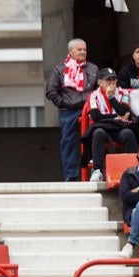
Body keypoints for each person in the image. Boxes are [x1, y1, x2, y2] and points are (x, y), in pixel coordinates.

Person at [46, 39, 95, 181]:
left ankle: (97, 171)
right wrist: (64, 103)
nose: (83, 52)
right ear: (70, 51)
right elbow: (51, 91)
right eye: (79, 49)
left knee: (96, 136)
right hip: (68, 111)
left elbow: (100, 89)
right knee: (68, 141)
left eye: (84, 49)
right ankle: (71, 175)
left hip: (89, 108)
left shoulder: (93, 69)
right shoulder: (59, 69)